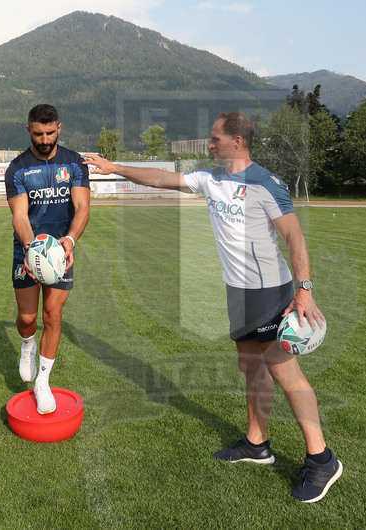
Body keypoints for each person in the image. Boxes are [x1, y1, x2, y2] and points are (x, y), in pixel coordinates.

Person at [82, 111, 341, 503]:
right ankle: (257, 443)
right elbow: (160, 178)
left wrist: (303, 291)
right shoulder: (211, 179)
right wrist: (113, 167)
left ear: (238, 141)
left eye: (215, 138)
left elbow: (295, 238)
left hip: (270, 292)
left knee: (288, 375)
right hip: (237, 292)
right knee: (250, 367)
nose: (210, 144)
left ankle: (322, 459)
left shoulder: (266, 184)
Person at [5, 104, 90, 414]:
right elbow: (19, 215)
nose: (44, 139)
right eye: (38, 133)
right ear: (28, 130)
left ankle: (43, 382)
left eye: (50, 133)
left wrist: (68, 241)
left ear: (59, 128)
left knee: (53, 315)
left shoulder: (75, 163)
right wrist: (31, 247)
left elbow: (82, 208)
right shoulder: (17, 169)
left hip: (62, 254)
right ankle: (27, 345)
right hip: (27, 252)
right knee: (28, 319)